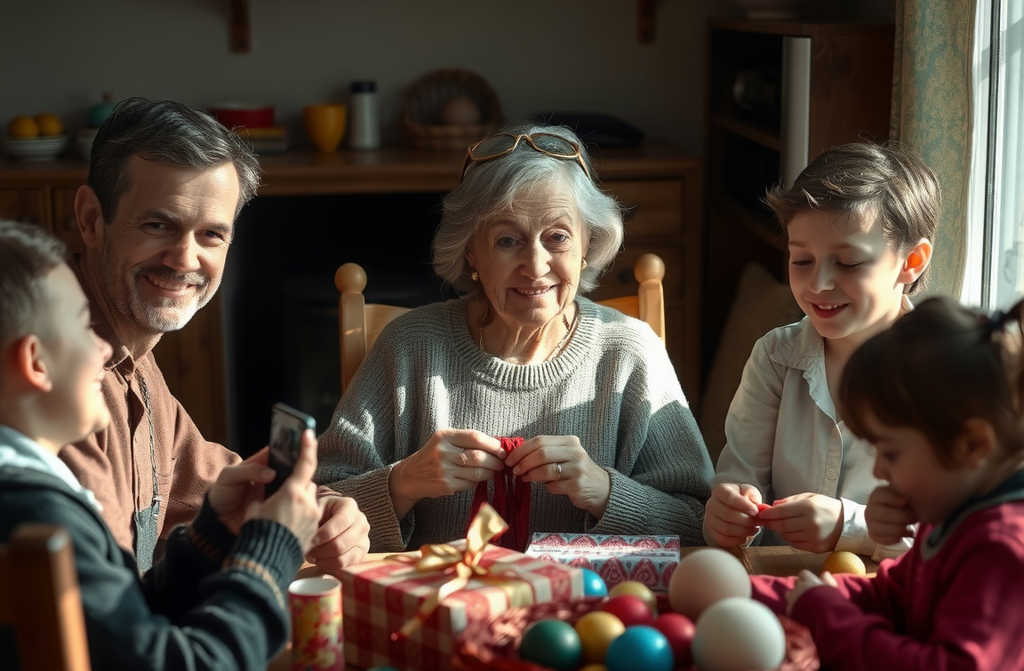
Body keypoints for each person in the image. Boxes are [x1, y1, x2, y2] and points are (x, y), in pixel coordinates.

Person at [317, 126, 713, 551]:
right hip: (440, 609)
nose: (535, 265)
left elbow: (701, 525)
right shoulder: (410, 347)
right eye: (508, 240)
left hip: (587, 612)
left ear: (586, 243)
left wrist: (604, 491)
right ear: (471, 251)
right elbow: (318, 511)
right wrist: (403, 482)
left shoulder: (630, 352)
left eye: (557, 237)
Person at [58, 97, 369, 572]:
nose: (184, 260)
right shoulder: (60, 380)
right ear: (90, 220)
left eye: (211, 235)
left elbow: (211, 478)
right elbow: (116, 633)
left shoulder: (133, 358)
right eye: (158, 225)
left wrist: (323, 507)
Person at [0, 220, 322, 669]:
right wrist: (271, 549)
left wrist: (212, 537)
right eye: (82, 325)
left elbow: (125, 639)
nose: (105, 349)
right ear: (35, 362)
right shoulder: (35, 516)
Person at [751, 296, 1024, 670]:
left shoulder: (1001, 549)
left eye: (891, 453)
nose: (879, 471)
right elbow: (892, 597)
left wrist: (825, 614)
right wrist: (752, 592)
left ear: (972, 445)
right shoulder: (954, 514)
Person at [704, 143, 939, 557]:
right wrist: (726, 515)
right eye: (802, 261)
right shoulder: (775, 358)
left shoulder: (946, 373)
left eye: (848, 264)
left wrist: (849, 527)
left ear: (912, 261)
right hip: (779, 591)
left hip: (888, 597)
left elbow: (951, 533)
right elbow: (738, 481)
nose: (818, 284)